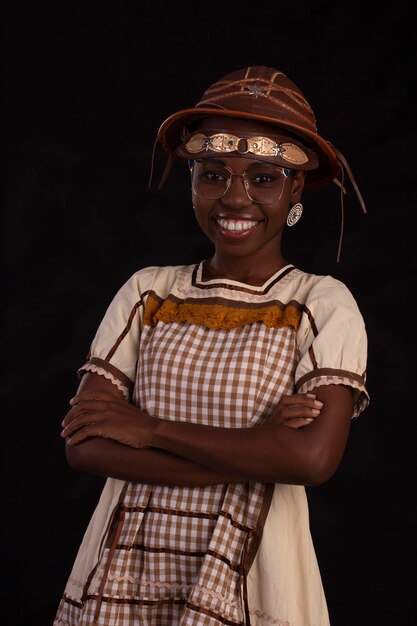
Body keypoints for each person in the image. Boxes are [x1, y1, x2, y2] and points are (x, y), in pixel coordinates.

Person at [53, 66, 369, 626]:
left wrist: (147, 429)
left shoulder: (320, 304)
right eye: (214, 174)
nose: (235, 197)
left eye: (265, 178)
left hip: (253, 579)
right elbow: (85, 447)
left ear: (296, 188)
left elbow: (313, 459)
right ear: (192, 180)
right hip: (123, 574)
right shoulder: (147, 291)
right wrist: (261, 449)